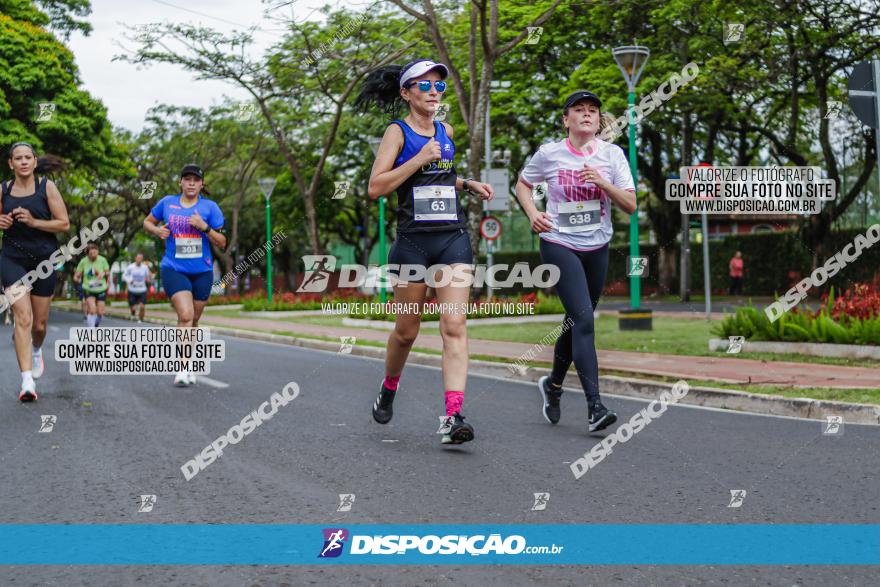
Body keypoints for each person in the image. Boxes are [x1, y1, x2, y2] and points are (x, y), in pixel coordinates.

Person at [355, 58, 494, 444]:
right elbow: (376, 188)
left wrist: (466, 184)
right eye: (425, 86)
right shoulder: (396, 134)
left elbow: (441, 177)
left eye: (439, 87)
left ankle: (453, 417)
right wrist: (419, 157)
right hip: (413, 243)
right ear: (406, 92)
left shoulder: (446, 131)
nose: (434, 93)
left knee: (453, 325)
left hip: (452, 238)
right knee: (406, 331)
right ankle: (389, 386)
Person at [514, 91, 637, 433]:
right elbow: (523, 185)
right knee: (584, 320)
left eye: (592, 111)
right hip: (558, 243)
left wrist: (602, 183)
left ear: (599, 121)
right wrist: (532, 213)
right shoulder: (549, 154)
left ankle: (552, 385)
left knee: (574, 321)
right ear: (566, 120)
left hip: (597, 246)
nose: (587, 115)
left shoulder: (612, 156)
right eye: (579, 110)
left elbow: (630, 205)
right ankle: (595, 406)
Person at [143, 164, 225, 387]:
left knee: (194, 319)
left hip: (202, 271)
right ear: (180, 182)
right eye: (187, 179)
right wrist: (157, 230)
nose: (191, 183)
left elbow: (223, 242)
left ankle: (189, 361)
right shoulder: (167, 203)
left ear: (201, 184)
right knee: (186, 315)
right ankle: (182, 367)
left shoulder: (210, 208)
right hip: (174, 268)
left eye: (195, 180)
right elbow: (147, 222)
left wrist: (204, 227)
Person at [1, 143, 70, 402]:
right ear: (11, 164)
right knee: (23, 317)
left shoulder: (46, 187)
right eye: (17, 158)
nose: (23, 162)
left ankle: (37, 349)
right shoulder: (3, 190)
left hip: (43, 260)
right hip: (12, 259)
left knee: (39, 325)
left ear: (34, 160)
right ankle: (27, 381)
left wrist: (33, 222)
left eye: (27, 157)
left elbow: (63, 224)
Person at [74, 243, 110, 328]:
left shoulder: (102, 260)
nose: (94, 255)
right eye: (91, 254)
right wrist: (77, 279)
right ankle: (91, 331)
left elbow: (108, 272)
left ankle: (95, 325)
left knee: (100, 312)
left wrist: (103, 273)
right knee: (92, 309)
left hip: (101, 289)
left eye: (95, 253)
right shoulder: (83, 261)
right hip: (88, 289)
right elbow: (76, 275)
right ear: (87, 254)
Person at [124, 253, 152, 322]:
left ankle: (140, 320)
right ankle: (133, 313)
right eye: (138, 258)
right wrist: (129, 280)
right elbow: (124, 276)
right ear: (135, 258)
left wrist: (148, 279)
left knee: (142, 306)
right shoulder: (130, 267)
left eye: (141, 258)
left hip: (142, 290)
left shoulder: (145, 267)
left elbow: (148, 276)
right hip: (132, 290)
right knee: (133, 308)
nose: (139, 260)